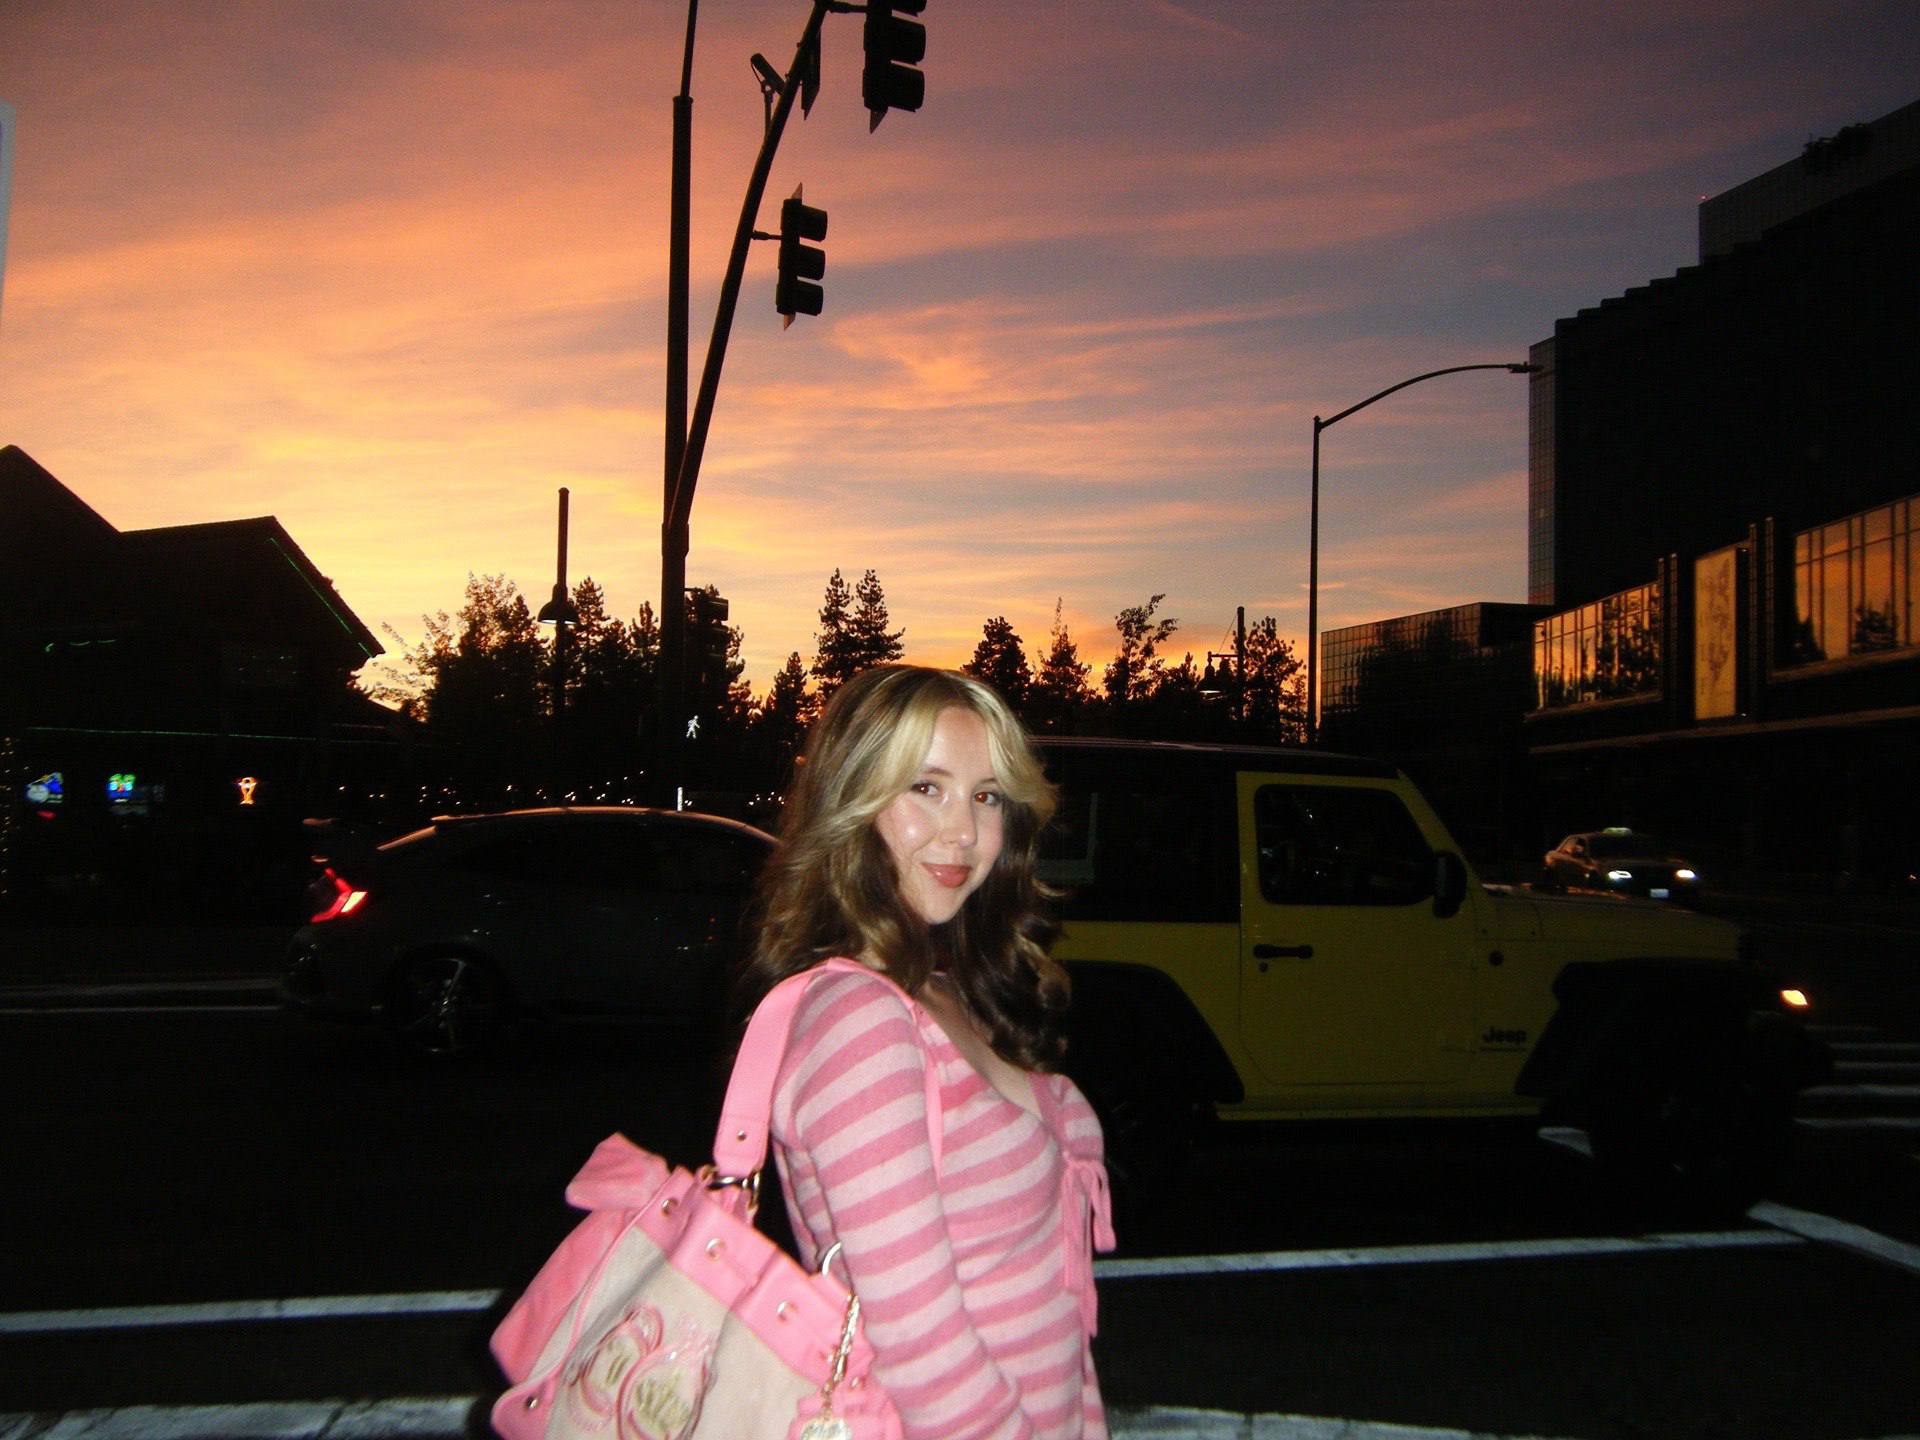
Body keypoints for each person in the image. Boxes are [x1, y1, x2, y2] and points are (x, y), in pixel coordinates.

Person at [736, 664, 1115, 1440]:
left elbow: (1045, 1312)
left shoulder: (943, 989)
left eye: (986, 796)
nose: (964, 832)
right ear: (854, 801)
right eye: (926, 788)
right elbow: (920, 1348)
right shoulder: (858, 1023)